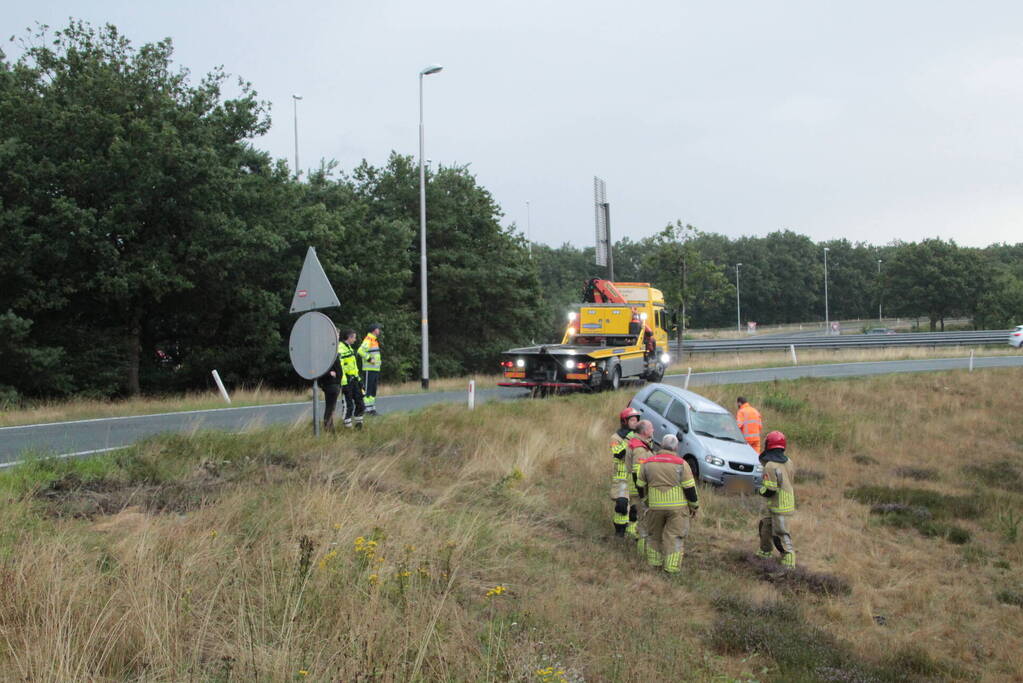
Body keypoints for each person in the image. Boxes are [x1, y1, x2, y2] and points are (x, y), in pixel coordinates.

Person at [636, 434, 698, 574]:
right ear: (676, 447)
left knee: (654, 536)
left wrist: (646, 500)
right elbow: (689, 488)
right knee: (674, 537)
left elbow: (640, 484)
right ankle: (671, 570)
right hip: (677, 509)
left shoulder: (647, 462)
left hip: (655, 506)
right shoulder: (681, 464)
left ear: (661, 445)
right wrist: (694, 506)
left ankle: (654, 566)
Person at [756, 430, 796, 568]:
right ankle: (764, 553)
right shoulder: (789, 461)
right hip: (781, 503)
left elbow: (770, 490)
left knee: (781, 534)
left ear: (768, 445)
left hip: (779, 506)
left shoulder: (770, 465)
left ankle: (789, 561)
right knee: (765, 527)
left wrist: (759, 490)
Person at [610, 406, 641, 537]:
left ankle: (632, 533)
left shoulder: (639, 437)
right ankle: (619, 534)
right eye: (632, 420)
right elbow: (618, 453)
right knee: (622, 506)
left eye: (636, 420)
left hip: (636, 477)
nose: (635, 423)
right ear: (624, 421)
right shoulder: (615, 438)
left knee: (635, 508)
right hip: (621, 478)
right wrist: (628, 440)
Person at [626, 420, 655, 554]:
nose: (653, 430)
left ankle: (641, 550)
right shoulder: (639, 448)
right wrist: (644, 495)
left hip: (638, 489)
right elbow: (638, 473)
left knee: (642, 520)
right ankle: (641, 553)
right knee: (644, 521)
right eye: (651, 428)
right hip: (639, 491)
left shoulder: (641, 444)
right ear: (645, 431)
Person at [338, 329, 365, 429]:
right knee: (348, 405)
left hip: (354, 380)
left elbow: (354, 367)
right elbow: (340, 368)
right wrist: (344, 383)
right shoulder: (340, 349)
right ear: (349, 337)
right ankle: (347, 426)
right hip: (347, 381)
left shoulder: (349, 348)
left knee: (360, 402)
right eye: (354, 337)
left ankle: (359, 424)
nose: (355, 339)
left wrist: (359, 379)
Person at [359, 323, 383, 415]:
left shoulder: (374, 340)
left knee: (373, 390)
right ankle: (366, 409)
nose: (379, 330)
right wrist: (369, 359)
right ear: (374, 330)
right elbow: (360, 351)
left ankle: (371, 409)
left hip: (375, 369)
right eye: (378, 329)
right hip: (369, 369)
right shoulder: (368, 339)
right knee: (367, 390)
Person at [318, 353, 342, 432]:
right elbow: (339, 373)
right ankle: (328, 428)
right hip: (333, 385)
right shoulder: (332, 358)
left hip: (331, 385)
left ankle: (329, 427)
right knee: (330, 408)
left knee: (330, 408)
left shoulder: (326, 358)